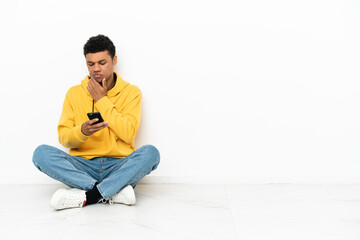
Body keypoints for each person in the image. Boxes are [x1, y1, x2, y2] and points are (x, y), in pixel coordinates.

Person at [32, 34, 160, 210]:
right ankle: (113, 192)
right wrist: (82, 131)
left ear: (114, 60)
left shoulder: (131, 92)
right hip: (83, 167)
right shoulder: (74, 93)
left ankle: (91, 195)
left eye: (102, 63)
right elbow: (64, 138)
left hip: (118, 165)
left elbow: (129, 132)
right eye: (90, 64)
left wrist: (101, 100)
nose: (96, 69)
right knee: (41, 154)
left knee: (151, 154)